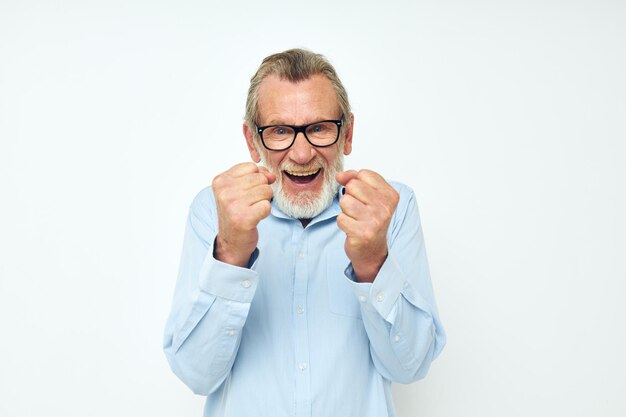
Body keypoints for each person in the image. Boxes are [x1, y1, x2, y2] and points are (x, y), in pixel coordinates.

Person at [163, 48, 446, 417]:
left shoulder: (390, 207)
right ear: (253, 141)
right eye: (280, 131)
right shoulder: (213, 210)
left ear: (347, 134)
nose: (300, 154)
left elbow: (410, 367)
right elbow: (196, 375)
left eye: (318, 128)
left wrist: (374, 262)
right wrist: (231, 254)